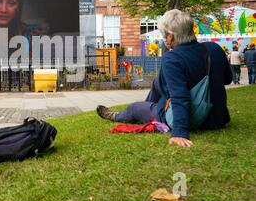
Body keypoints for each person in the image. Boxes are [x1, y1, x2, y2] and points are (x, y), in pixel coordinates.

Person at [97, 9, 232, 148]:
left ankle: (117, 116)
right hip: (217, 117)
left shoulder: (173, 58)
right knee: (156, 82)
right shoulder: (214, 48)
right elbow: (228, 79)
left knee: (135, 108)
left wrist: (179, 133)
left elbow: (180, 97)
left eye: (164, 35)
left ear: (171, 37)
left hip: (195, 119)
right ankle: (149, 116)